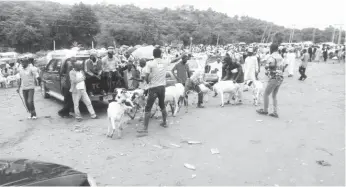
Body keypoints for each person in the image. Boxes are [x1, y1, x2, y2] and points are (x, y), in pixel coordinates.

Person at [137, 48, 180, 136]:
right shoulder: (164, 62)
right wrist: (181, 56)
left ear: (153, 55)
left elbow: (146, 77)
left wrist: (148, 81)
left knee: (148, 108)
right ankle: (164, 122)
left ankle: (145, 129)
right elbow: (174, 60)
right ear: (160, 54)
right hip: (162, 88)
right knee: (162, 105)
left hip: (154, 88)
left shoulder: (150, 64)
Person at [256, 43, 287, 118]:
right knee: (274, 95)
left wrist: (266, 67)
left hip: (274, 77)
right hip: (280, 77)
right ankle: (275, 112)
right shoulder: (280, 56)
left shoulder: (271, 57)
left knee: (266, 93)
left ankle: (265, 110)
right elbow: (283, 67)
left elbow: (267, 66)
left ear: (271, 49)